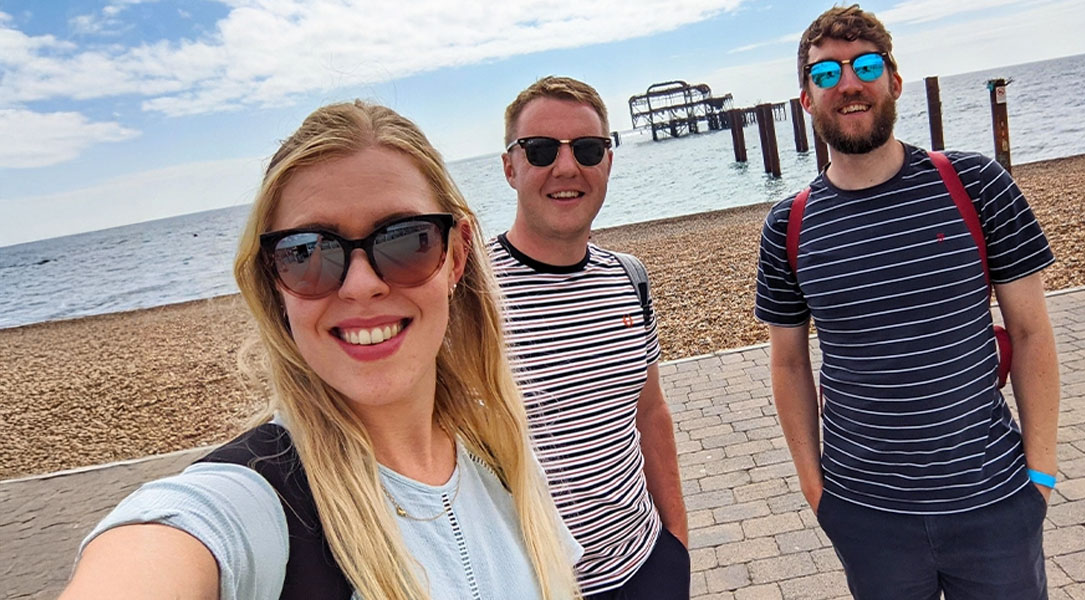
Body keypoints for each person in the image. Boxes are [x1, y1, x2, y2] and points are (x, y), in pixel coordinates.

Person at [60, 100, 581, 600]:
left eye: (405, 239)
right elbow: (155, 554)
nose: (360, 285)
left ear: (456, 255)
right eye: (306, 251)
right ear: (275, 282)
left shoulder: (499, 449)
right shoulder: (257, 505)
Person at [755, 5, 1061, 599]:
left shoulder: (976, 184)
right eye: (826, 74)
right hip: (866, 514)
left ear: (894, 81)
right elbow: (789, 363)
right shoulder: (787, 226)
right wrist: (816, 491)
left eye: (866, 65)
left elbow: (1030, 333)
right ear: (806, 100)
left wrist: (1040, 475)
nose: (848, 84)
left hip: (995, 499)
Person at [490, 76, 690, 599]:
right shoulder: (464, 294)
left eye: (586, 148)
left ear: (607, 161)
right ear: (510, 166)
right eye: (538, 150)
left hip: (647, 564)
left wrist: (677, 542)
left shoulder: (629, 276)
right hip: (535, 586)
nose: (565, 167)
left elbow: (651, 411)